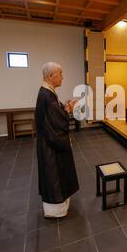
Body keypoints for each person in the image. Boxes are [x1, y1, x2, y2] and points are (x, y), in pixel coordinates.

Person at [35, 62, 79, 218]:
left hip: (47, 142)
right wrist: (67, 112)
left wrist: (64, 109)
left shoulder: (47, 92)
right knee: (54, 174)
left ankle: (57, 208)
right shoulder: (47, 96)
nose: (62, 76)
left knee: (54, 174)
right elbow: (57, 124)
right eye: (60, 73)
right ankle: (56, 211)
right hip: (51, 147)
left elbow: (53, 117)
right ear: (51, 76)